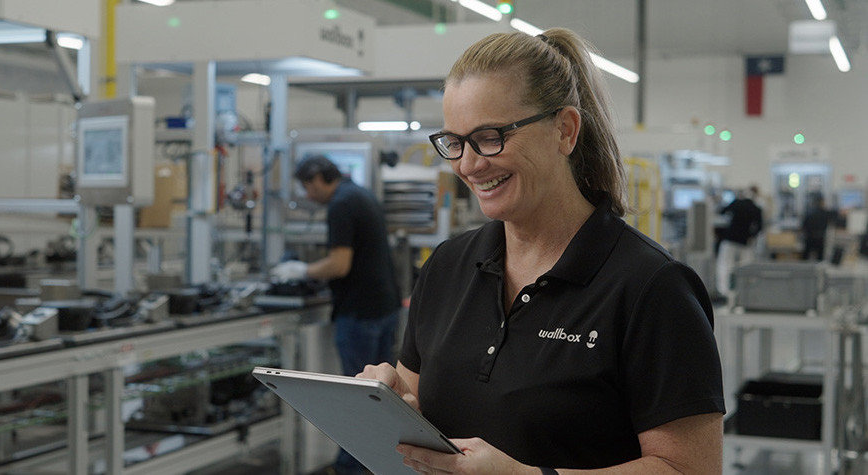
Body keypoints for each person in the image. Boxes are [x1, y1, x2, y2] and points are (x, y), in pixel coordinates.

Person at [359, 28, 725, 474]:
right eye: (454, 143)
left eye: (490, 136)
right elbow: (419, 406)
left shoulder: (651, 287)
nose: (470, 165)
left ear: (565, 131)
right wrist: (392, 403)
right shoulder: (446, 267)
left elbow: (689, 468)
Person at [270, 154, 401, 475]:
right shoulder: (360, 193)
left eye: (306, 186)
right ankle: (380, 464)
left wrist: (302, 270)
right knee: (381, 399)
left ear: (317, 178)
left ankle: (348, 468)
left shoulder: (341, 204)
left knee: (356, 399)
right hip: (384, 308)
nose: (307, 195)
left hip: (359, 313)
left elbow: (339, 264)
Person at [716, 186, 763, 296]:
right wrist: (751, 236)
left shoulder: (736, 202)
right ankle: (745, 292)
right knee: (745, 267)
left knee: (726, 266)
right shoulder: (756, 208)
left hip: (730, 239)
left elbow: (722, 211)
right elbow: (760, 227)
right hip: (745, 242)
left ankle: (725, 292)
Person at [801, 194, 833, 261]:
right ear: (822, 202)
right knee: (820, 258)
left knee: (805, 257)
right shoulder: (825, 213)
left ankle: (802, 270)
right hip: (820, 238)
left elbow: (803, 226)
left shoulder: (809, 212)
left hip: (809, 237)